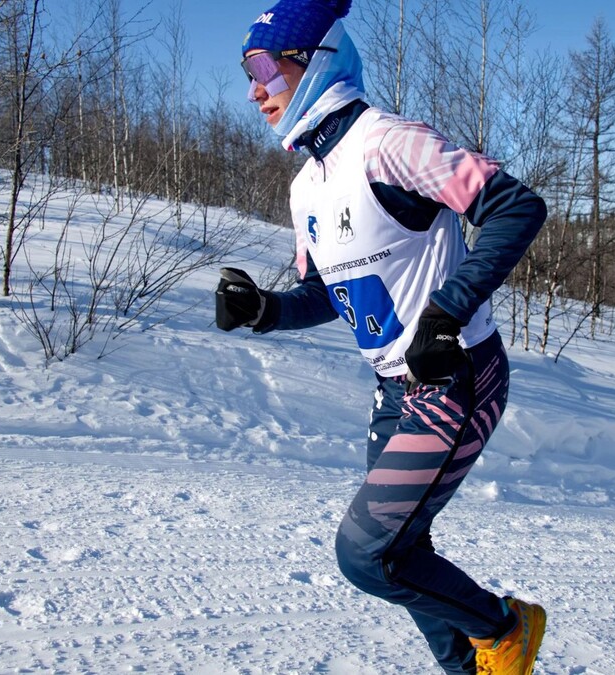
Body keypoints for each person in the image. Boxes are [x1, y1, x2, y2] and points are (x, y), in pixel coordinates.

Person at [215, 1, 548, 673]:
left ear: (315, 62)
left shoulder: (388, 142)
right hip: (392, 392)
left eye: (262, 68)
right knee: (400, 549)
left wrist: (446, 312)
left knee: (366, 551)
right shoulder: (307, 187)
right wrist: (265, 311)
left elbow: (516, 206)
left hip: (457, 377)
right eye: (247, 71)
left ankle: (506, 628)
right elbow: (330, 296)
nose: (253, 89)